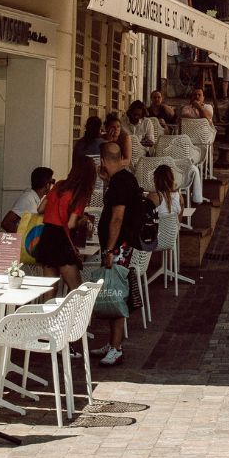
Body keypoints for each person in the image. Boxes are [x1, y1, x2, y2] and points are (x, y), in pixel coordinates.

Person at [92, 142, 144, 366]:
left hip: (119, 247)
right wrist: (105, 181)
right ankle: (112, 342)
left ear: (103, 160)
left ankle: (116, 347)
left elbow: (117, 217)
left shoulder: (121, 183)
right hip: (118, 245)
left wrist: (111, 249)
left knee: (115, 293)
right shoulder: (122, 179)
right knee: (112, 292)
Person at [34, 157, 95, 295]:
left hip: (47, 237)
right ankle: (80, 317)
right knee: (77, 290)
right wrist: (83, 220)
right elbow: (71, 223)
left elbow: (40, 209)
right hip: (61, 239)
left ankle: (47, 316)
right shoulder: (80, 192)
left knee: (50, 290)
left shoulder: (59, 184)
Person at [1, 167, 53, 233]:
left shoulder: (36, 199)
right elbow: (6, 223)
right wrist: (23, 238)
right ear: (47, 185)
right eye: (52, 182)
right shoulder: (28, 198)